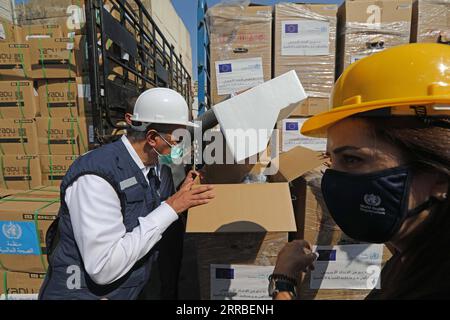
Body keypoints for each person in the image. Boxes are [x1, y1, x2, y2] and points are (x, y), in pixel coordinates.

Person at [270, 43, 450, 300]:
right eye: (331, 160)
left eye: (353, 159)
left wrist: (283, 281)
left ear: (440, 177)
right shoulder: (413, 260)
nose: (333, 179)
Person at [39, 88, 215, 300]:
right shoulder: (95, 178)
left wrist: (180, 194)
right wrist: (171, 207)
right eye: (177, 139)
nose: (179, 146)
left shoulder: (156, 167)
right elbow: (103, 268)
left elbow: (145, 211)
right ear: (152, 138)